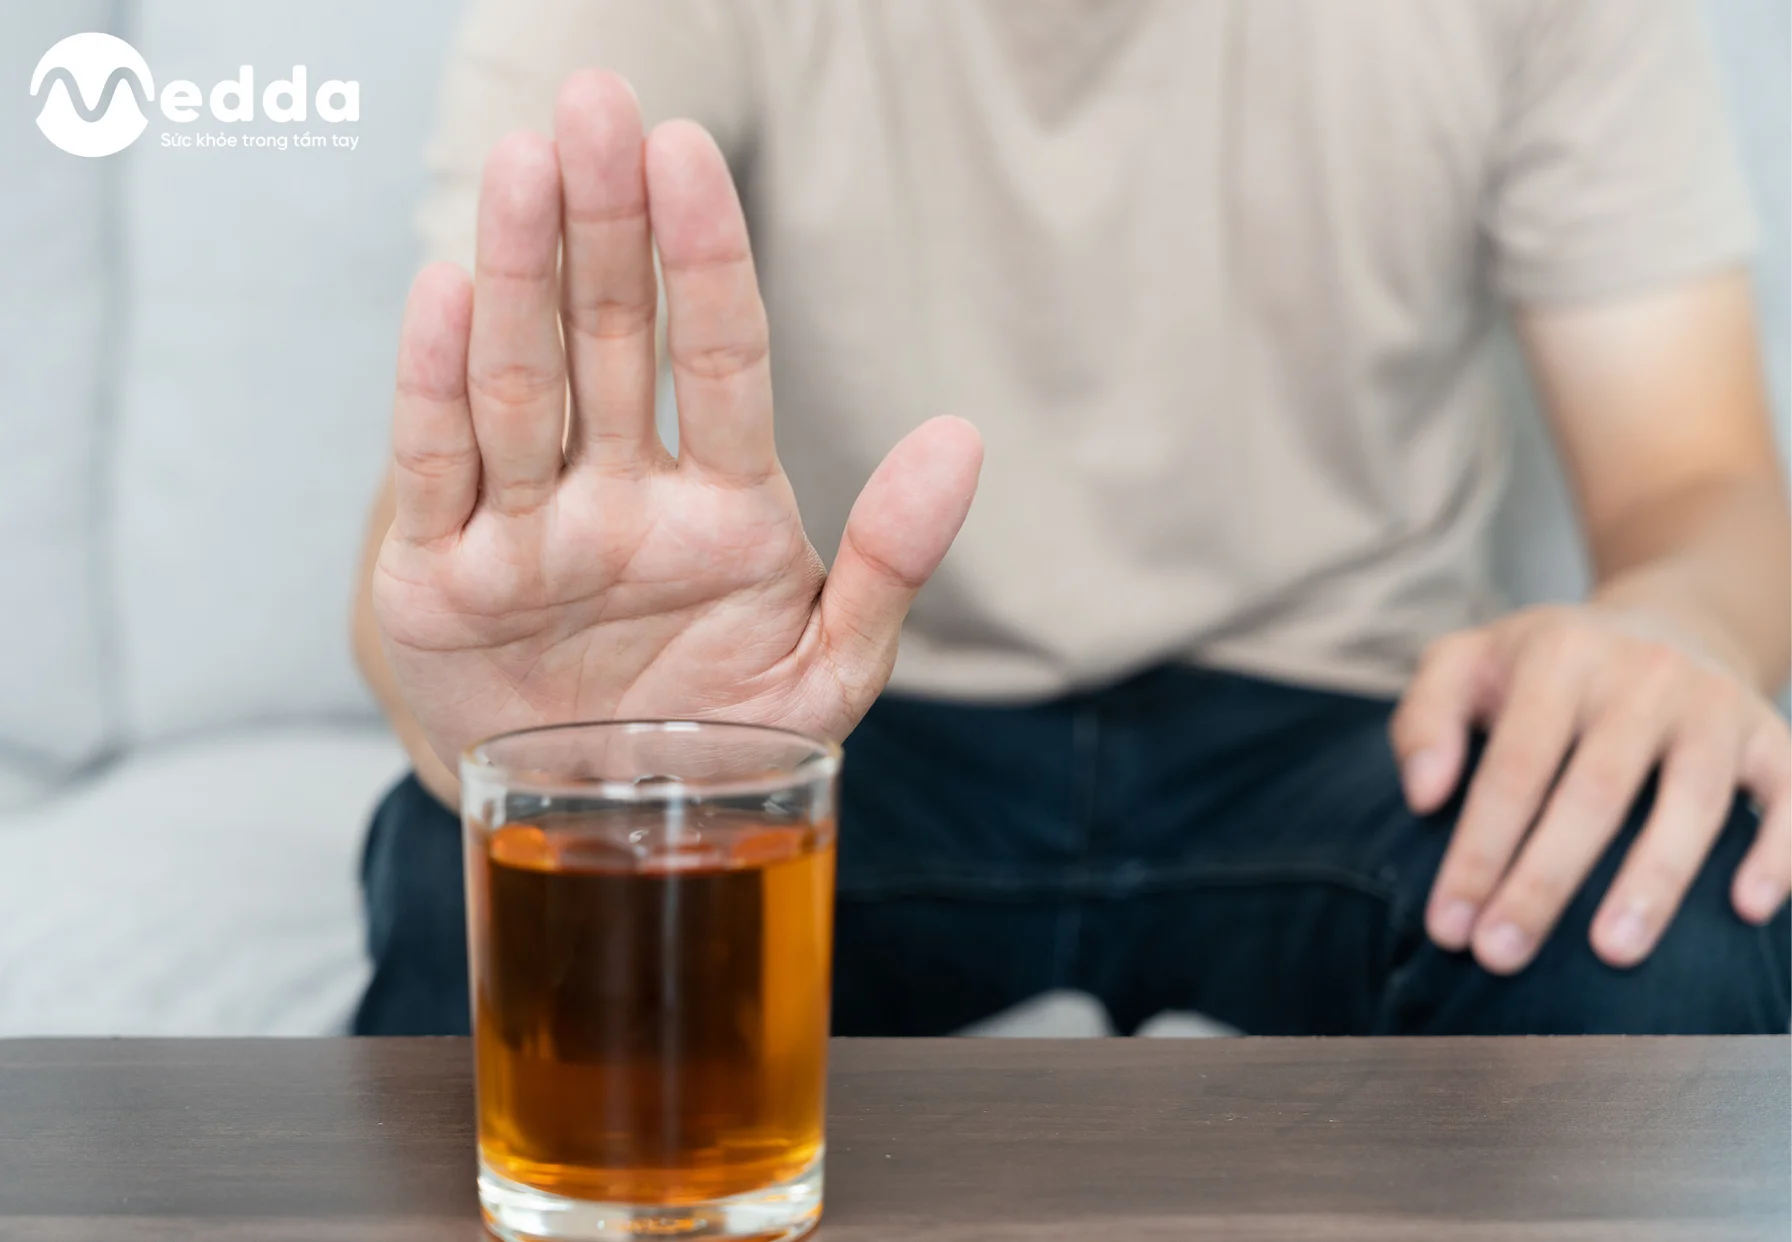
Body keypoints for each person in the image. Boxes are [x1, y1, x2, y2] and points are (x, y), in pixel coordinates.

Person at [350, 0, 1790, 1037]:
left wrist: (1671, 630)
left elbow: (1697, 480)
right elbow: (447, 535)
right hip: (832, 726)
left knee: (1665, 891)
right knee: (493, 868)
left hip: (1352, 732)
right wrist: (544, 727)